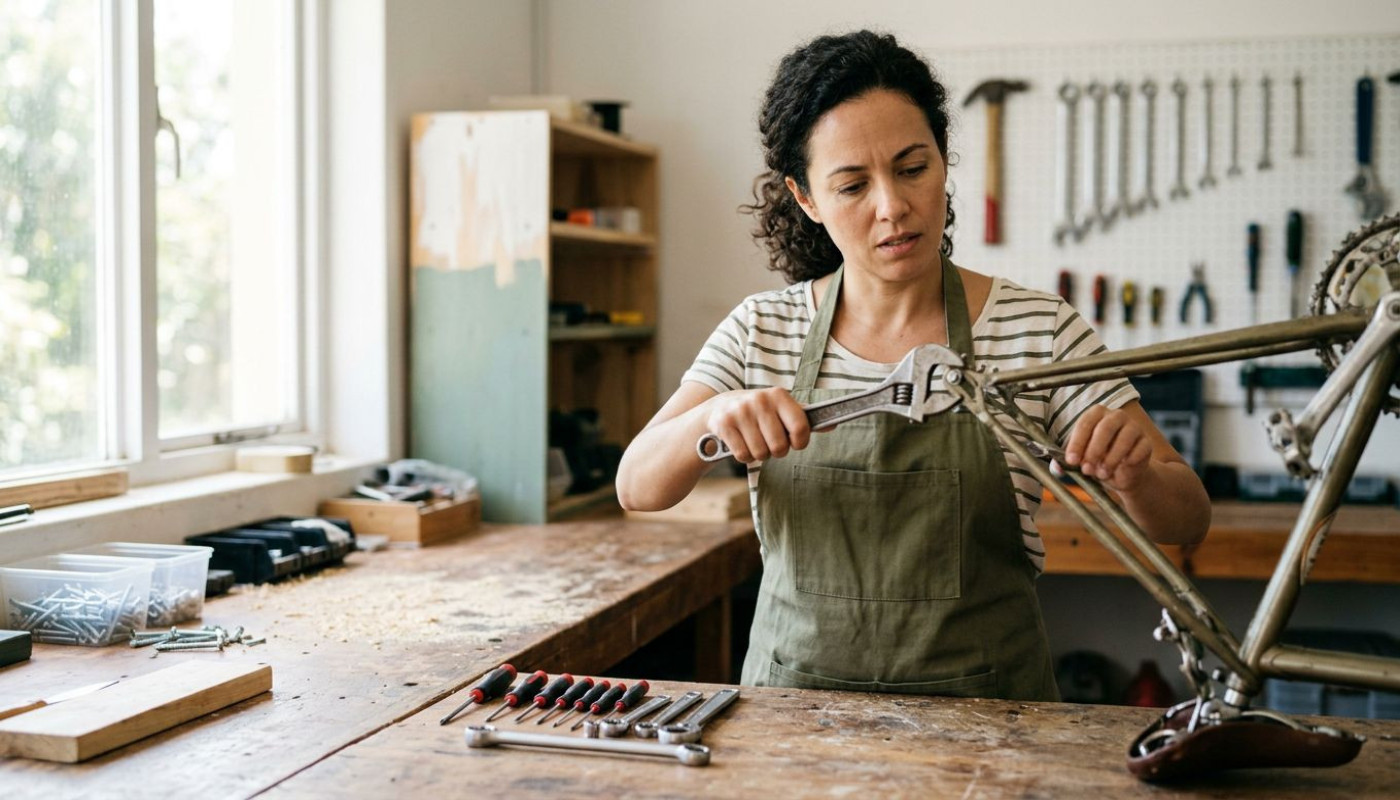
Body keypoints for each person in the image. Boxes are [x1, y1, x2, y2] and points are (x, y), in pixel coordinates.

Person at [615, 30, 1210, 701]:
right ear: (806, 198)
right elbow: (637, 486)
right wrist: (713, 419)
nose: (892, 207)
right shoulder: (763, 332)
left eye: (911, 167)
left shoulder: (1039, 329)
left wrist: (1133, 475)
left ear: (943, 161)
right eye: (851, 185)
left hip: (993, 725)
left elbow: (1186, 519)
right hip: (795, 721)